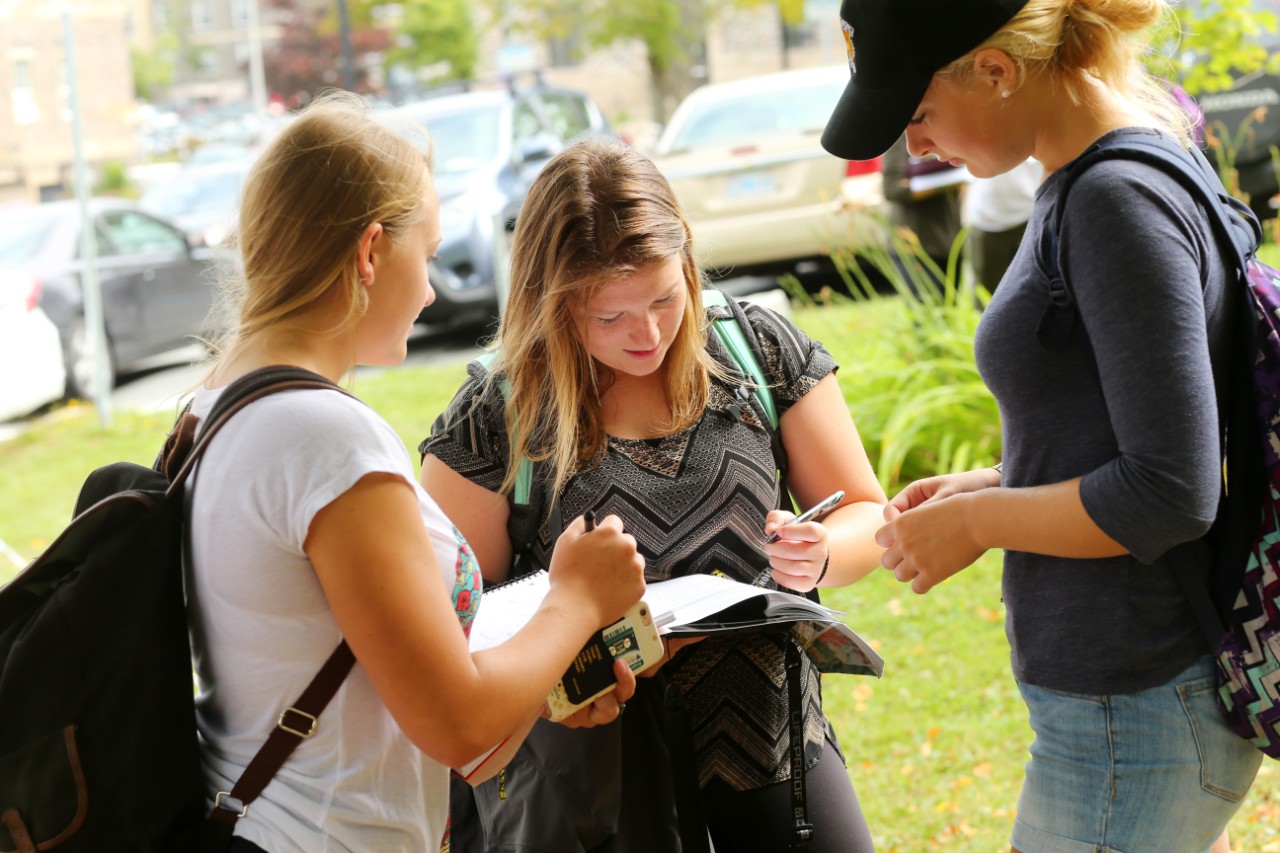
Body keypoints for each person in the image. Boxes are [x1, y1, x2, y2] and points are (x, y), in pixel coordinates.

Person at [819, 1, 1262, 851]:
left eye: (917, 115)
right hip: (1122, 708)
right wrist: (992, 482)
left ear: (995, 69)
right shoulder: (1104, 174)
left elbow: (1171, 490)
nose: (914, 149)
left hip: (1134, 710)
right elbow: (1132, 429)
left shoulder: (1115, 200)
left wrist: (981, 521)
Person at [183, 91, 646, 852]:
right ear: (370, 252)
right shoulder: (323, 437)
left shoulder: (211, 411)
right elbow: (453, 720)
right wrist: (577, 599)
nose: (430, 288)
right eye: (424, 255)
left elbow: (364, 670)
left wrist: (539, 678)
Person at [420, 138, 888, 852]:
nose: (648, 333)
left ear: (689, 261)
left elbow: (864, 508)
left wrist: (822, 552)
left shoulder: (753, 348)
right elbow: (451, 618)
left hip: (772, 742)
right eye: (610, 317)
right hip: (596, 775)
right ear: (552, 303)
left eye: (667, 299)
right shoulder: (497, 410)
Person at [961, 157, 1043, 291]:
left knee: (1031, 285)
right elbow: (965, 181)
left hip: (1027, 216)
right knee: (987, 291)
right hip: (986, 222)